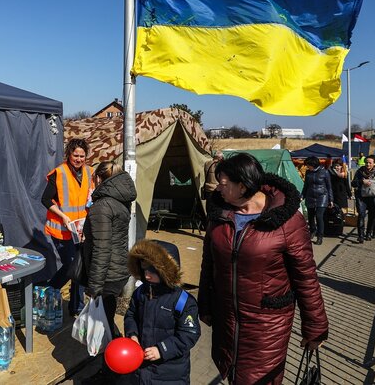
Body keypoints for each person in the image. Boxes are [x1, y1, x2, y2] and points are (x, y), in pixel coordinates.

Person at [198, 152, 328, 384]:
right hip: (226, 319)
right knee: (231, 371)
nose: (218, 189)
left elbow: (306, 276)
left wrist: (315, 327)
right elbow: (209, 263)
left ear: (243, 186)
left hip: (266, 325)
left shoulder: (287, 220)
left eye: (224, 184)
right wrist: (206, 304)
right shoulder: (220, 215)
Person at [124, 239, 200, 384]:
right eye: (145, 269)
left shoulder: (183, 301)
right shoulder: (140, 293)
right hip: (140, 368)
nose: (147, 276)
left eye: (153, 271)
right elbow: (131, 315)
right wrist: (132, 334)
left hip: (169, 374)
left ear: (166, 271)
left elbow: (189, 334)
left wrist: (162, 349)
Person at [82, 161, 136, 337]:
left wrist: (94, 286)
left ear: (98, 178)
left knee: (103, 325)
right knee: (107, 318)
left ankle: (112, 361)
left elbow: (102, 248)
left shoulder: (102, 205)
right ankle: (112, 357)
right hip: (119, 268)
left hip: (107, 274)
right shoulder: (121, 200)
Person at [42, 138, 94, 316]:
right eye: (75, 155)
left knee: (80, 266)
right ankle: (49, 290)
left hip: (80, 231)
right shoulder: (59, 173)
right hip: (61, 229)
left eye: (82, 156)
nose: (79, 159)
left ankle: (76, 307)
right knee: (71, 264)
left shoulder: (90, 172)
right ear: (69, 155)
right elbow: (45, 199)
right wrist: (63, 216)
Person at [351, 155, 375, 243]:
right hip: (361, 197)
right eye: (366, 162)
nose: (368, 164)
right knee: (361, 215)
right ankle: (360, 236)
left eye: (370, 163)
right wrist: (361, 181)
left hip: (373, 197)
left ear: (374, 163)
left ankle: (368, 233)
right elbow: (353, 183)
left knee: (372, 216)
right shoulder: (359, 172)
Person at [301, 156, 334, 245]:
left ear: (313, 164)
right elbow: (306, 186)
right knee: (311, 216)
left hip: (322, 196)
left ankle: (320, 236)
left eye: (308, 165)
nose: (307, 167)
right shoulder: (308, 172)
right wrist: (302, 195)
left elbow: (329, 186)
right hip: (310, 196)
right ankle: (313, 230)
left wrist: (331, 199)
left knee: (319, 216)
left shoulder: (325, 172)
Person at [202, 151, 224, 219]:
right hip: (217, 189)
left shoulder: (207, 163)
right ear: (220, 158)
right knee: (217, 209)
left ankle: (208, 224)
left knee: (209, 208)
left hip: (208, 189)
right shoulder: (220, 165)